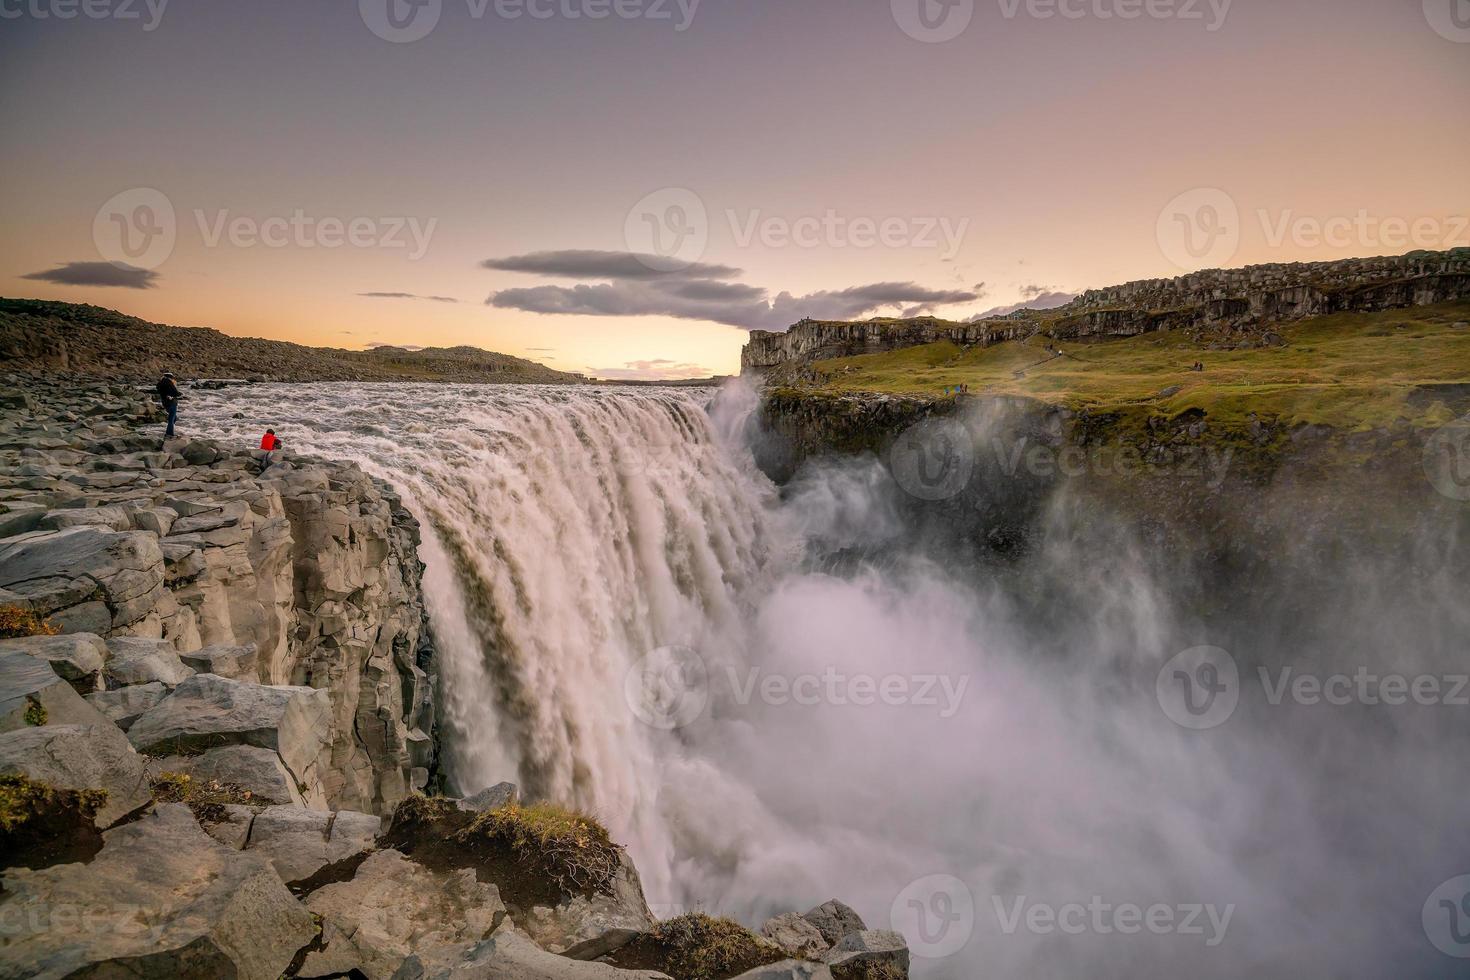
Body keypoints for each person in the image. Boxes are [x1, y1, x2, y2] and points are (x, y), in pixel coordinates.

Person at [155, 372, 180, 438]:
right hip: (172, 402)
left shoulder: (160, 383)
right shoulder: (169, 382)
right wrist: (179, 393)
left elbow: (158, 390)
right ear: (170, 377)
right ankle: (169, 434)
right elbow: (175, 392)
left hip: (164, 402)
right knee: (172, 418)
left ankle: (169, 432)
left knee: (173, 418)